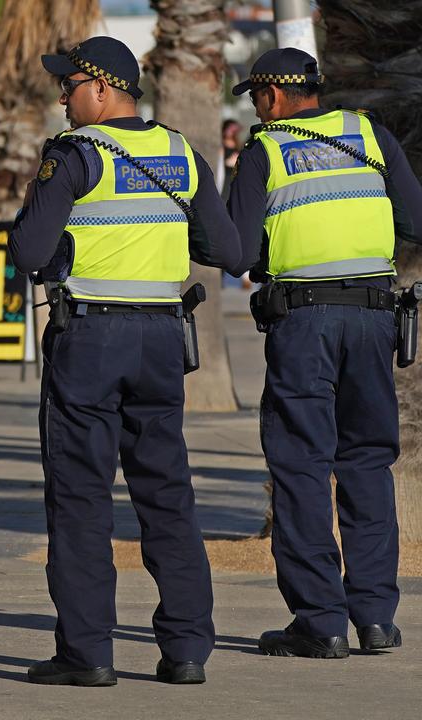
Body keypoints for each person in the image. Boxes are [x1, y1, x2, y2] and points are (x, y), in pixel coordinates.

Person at [9, 36, 242, 687]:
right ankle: (188, 648)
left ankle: (86, 654)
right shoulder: (179, 152)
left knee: (82, 499)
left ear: (103, 89)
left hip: (91, 341)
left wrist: (60, 251)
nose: (62, 97)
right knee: (167, 494)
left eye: (69, 86)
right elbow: (226, 246)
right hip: (162, 339)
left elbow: (29, 251)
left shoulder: (76, 155)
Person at [227, 47, 422, 659]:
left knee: (302, 467)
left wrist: (268, 255)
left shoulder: (265, 149)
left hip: (304, 323)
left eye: (256, 97)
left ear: (274, 96)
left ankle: (321, 622)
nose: (257, 109)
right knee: (366, 463)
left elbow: (234, 251)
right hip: (372, 319)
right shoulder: (370, 135)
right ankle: (373, 618)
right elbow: (416, 217)